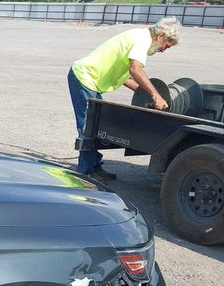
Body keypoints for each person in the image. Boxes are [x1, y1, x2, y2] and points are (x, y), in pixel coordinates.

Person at [68, 16, 181, 181]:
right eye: (166, 46)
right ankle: (85, 173)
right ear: (162, 35)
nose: (163, 49)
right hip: (84, 78)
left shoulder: (140, 37)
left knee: (98, 125)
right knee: (89, 126)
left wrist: (141, 92)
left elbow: (126, 75)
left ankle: (94, 166)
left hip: (90, 80)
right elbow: (135, 69)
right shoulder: (141, 40)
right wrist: (155, 95)